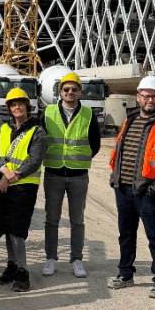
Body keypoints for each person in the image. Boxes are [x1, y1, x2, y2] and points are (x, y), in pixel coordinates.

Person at [107, 75, 155, 299]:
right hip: (124, 188)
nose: (150, 100)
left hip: (148, 192)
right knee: (126, 234)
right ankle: (125, 274)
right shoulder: (129, 120)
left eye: (154, 96)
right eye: (146, 96)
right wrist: (115, 178)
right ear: (138, 97)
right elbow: (120, 150)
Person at [41, 72, 100, 278]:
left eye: (74, 89)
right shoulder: (48, 112)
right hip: (53, 174)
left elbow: (95, 143)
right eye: (66, 89)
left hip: (78, 175)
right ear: (61, 91)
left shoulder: (88, 113)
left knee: (77, 220)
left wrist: (78, 159)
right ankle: (51, 258)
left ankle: (76, 260)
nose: (70, 92)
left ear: (79, 92)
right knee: (52, 219)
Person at [0, 89, 45, 292]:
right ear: (9, 108)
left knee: (17, 229)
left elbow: (34, 160)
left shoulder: (37, 131)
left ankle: (23, 272)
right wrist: (4, 171)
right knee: (7, 227)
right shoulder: (4, 129)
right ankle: (12, 266)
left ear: (27, 105)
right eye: (13, 104)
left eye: (20, 103)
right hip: (6, 184)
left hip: (24, 186)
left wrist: (12, 176)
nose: (17, 107)